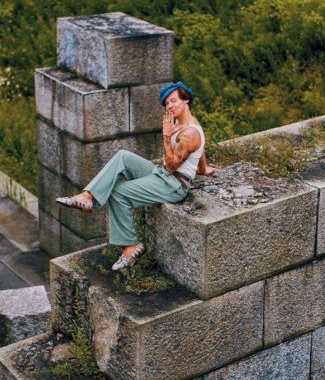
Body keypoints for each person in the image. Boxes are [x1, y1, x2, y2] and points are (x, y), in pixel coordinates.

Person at [56, 81, 216, 271]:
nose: (169, 106)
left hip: (174, 184)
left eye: (173, 101)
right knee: (123, 156)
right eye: (166, 104)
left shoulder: (189, 133)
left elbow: (173, 166)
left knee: (118, 192)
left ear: (186, 99)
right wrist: (203, 170)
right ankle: (87, 196)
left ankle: (131, 247)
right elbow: (201, 151)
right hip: (162, 174)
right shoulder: (187, 123)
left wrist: (166, 136)